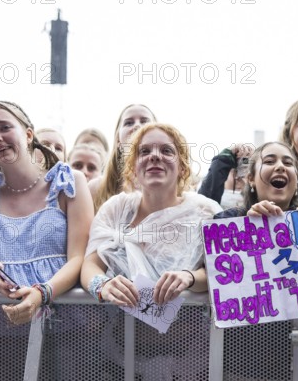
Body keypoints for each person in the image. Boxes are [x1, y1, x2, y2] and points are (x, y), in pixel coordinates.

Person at [0, 101, 93, 325]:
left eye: (4, 127)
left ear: (28, 135)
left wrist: (42, 294)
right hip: (1, 330)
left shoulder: (69, 182)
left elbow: (79, 258)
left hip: (68, 326)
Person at [81, 123, 222, 307]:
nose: (155, 156)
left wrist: (190, 277)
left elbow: (221, 270)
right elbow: (89, 266)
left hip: (189, 331)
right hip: (119, 331)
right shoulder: (116, 209)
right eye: (144, 151)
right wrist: (103, 286)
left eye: (166, 150)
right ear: (133, 169)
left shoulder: (206, 212)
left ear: (182, 167)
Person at [89, 104, 157, 212]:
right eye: (128, 123)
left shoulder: (175, 187)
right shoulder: (95, 189)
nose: (137, 125)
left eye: (144, 121)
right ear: (118, 141)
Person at [214, 141, 298, 219]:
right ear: (251, 179)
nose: (281, 166)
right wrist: (246, 227)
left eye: (288, 163)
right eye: (269, 161)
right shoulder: (226, 220)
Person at [198, 143, 254, 209]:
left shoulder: (258, 200)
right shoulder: (208, 200)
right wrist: (224, 158)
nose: (238, 179)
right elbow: (208, 195)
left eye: (245, 174)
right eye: (234, 172)